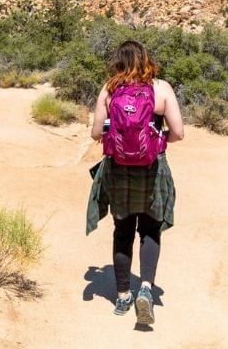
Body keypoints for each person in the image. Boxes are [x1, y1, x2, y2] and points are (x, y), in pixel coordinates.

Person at [87, 40, 184, 326]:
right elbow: (178, 132)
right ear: (146, 60)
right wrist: (158, 140)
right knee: (151, 229)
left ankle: (122, 296)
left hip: (118, 170)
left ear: (118, 61)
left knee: (123, 230)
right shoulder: (161, 88)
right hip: (153, 169)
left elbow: (95, 133)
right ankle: (145, 289)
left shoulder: (109, 89)